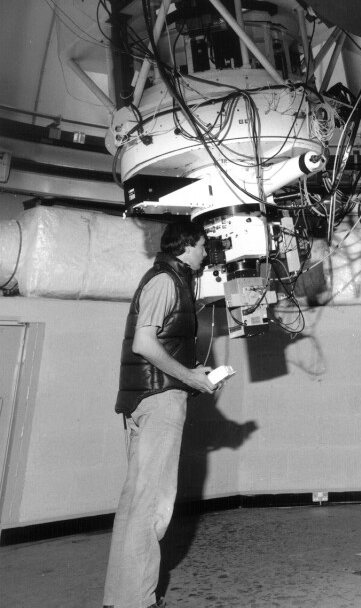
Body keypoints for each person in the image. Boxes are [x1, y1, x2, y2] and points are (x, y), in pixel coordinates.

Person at [103, 219, 217, 608]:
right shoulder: (166, 281)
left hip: (148, 397)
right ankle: (138, 601)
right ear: (186, 246)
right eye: (202, 246)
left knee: (137, 503)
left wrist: (192, 376)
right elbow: (144, 343)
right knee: (152, 506)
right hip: (159, 401)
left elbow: (159, 343)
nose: (206, 253)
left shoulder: (168, 279)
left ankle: (121, 599)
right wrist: (189, 377)